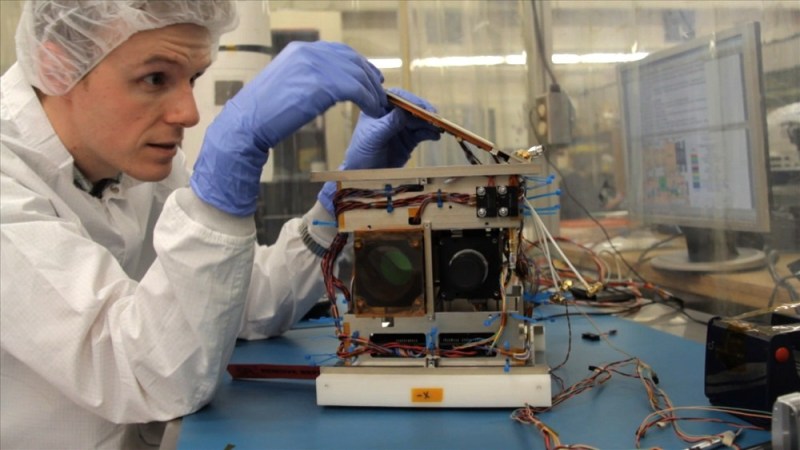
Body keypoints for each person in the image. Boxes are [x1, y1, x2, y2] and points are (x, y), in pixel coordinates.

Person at [0, 1, 441, 448]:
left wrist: (337, 208)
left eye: (192, 78)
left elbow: (241, 302)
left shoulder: (125, 160)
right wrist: (219, 191)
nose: (187, 113)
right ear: (58, 67)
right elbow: (144, 373)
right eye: (155, 79)